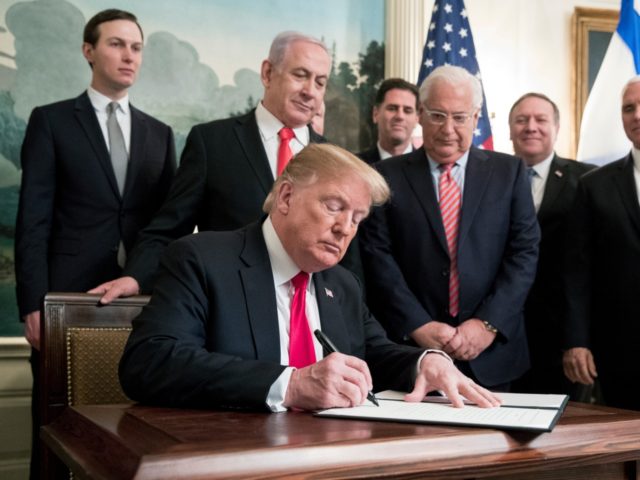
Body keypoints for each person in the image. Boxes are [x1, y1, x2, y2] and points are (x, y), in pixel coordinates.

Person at [119, 143, 501, 411]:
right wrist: (292, 386)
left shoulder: (341, 284)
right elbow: (149, 363)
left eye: (356, 219)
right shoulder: (202, 259)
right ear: (285, 197)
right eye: (334, 207)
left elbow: (375, 355)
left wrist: (426, 362)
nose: (344, 229)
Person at [14, 9, 176, 478]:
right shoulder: (51, 122)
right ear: (89, 51)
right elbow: (33, 220)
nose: (129, 56)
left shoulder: (160, 135)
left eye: (137, 47)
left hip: (139, 300)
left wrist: (143, 278)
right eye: (116, 44)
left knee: (128, 423)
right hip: (66, 299)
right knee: (52, 423)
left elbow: (164, 226)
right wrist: (33, 304)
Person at [91, 31, 333, 302]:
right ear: (267, 73)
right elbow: (171, 226)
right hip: (229, 309)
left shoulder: (334, 160)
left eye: (320, 82)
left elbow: (350, 260)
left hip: (310, 320)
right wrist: (135, 277)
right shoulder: (212, 142)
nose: (310, 91)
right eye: (300, 75)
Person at [359, 65, 540, 390]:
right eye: (438, 115)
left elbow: (524, 253)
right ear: (421, 115)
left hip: (492, 354)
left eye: (459, 117)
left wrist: (487, 324)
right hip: (410, 351)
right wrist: (417, 324)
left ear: (476, 117)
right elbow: (377, 257)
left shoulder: (508, 172)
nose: (448, 129)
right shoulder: (385, 175)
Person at [508, 93, 596, 395]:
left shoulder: (588, 179)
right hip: (501, 332)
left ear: (556, 128)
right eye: (521, 120)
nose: (531, 127)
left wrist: (579, 336)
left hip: (561, 334)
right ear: (510, 129)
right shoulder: (487, 178)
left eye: (541, 119)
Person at [563, 76, 640, 411]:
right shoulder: (594, 186)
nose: (636, 115)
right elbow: (577, 272)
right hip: (621, 347)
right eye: (628, 108)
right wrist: (576, 342)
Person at [357, 78, 420, 164]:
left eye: (407, 110)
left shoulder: (430, 169)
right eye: (392, 109)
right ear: (376, 114)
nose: (400, 116)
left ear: (417, 119)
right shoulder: (356, 166)